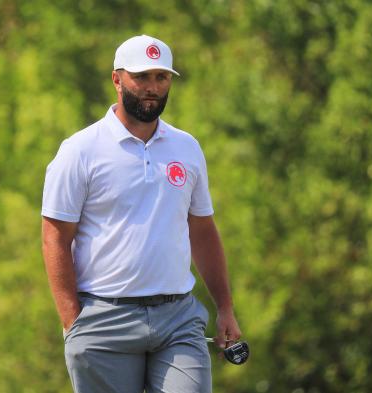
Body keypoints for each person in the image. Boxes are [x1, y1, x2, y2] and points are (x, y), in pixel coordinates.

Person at [41, 34, 241, 393]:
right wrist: (74, 323)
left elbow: (202, 231)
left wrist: (224, 307)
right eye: (142, 77)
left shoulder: (187, 147)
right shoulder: (80, 151)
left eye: (161, 78)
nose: (153, 88)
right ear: (117, 80)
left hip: (178, 318)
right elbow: (55, 236)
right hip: (104, 320)